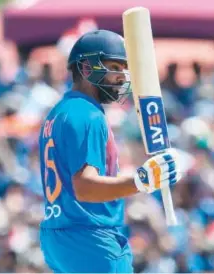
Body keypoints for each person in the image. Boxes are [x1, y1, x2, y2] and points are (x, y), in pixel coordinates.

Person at [38, 29, 182, 273]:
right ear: (85, 69)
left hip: (59, 238)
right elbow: (85, 186)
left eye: (124, 68)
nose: (121, 76)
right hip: (91, 239)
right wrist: (141, 180)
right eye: (114, 67)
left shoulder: (59, 112)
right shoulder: (87, 115)